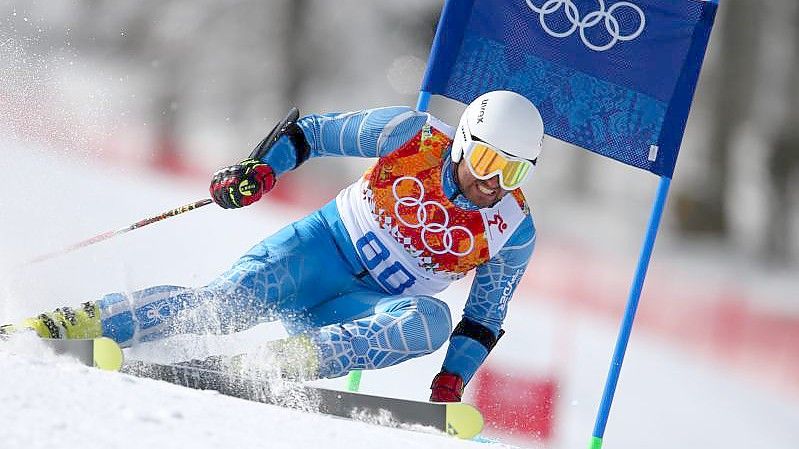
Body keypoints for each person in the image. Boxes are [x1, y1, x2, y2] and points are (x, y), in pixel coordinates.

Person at [2, 90, 544, 402]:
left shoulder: (512, 229)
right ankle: (66, 323)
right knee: (214, 309)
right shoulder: (412, 136)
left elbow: (483, 315)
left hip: (359, 312)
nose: (495, 182)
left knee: (430, 321)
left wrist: (454, 377)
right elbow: (312, 133)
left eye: (515, 170)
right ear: (464, 144)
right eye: (490, 161)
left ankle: (273, 364)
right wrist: (262, 169)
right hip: (316, 254)